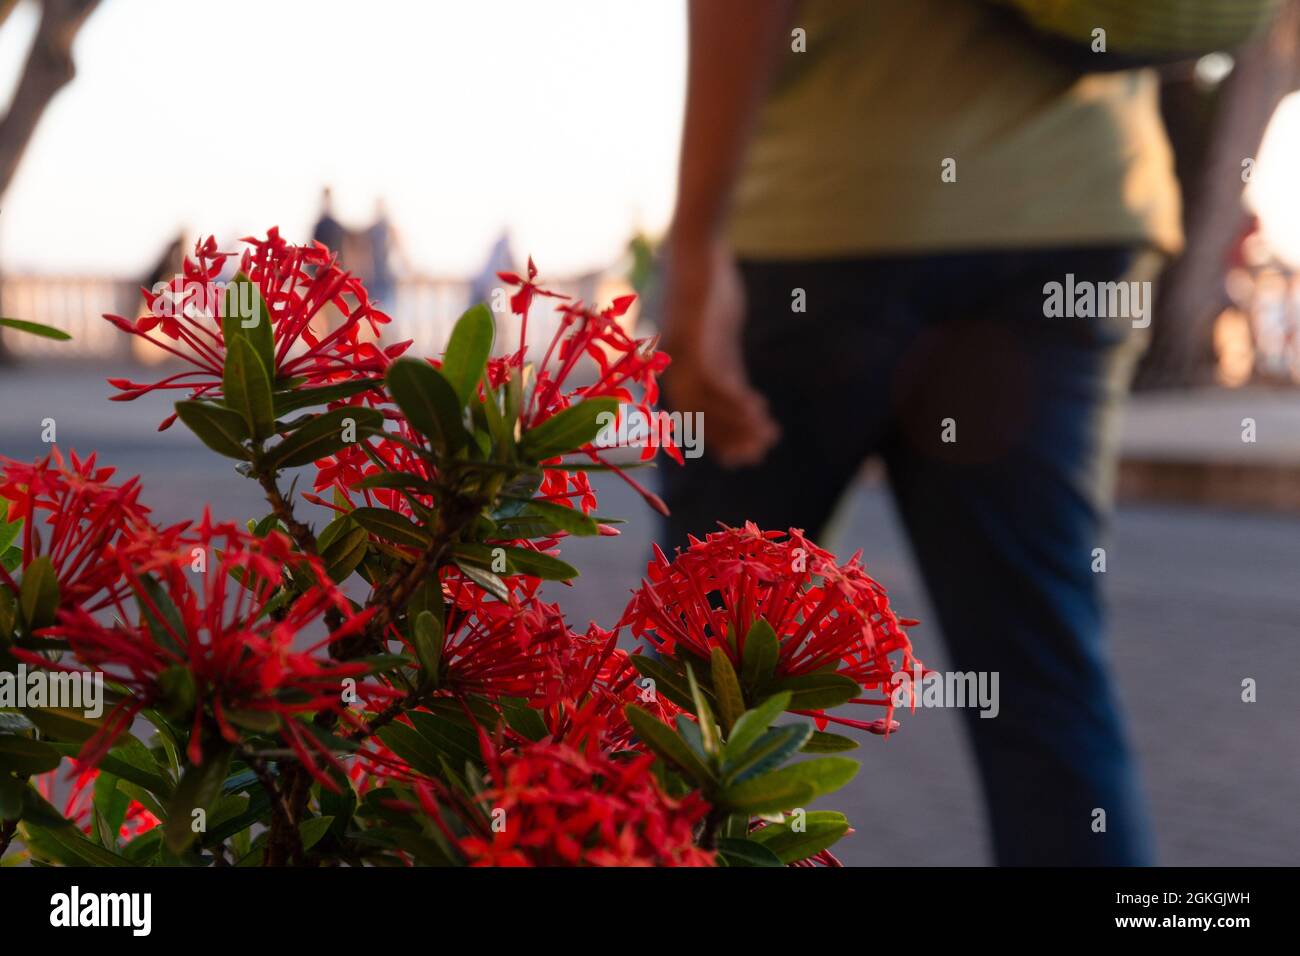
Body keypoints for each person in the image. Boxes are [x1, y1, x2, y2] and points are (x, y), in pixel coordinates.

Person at [658, 0, 1195, 866]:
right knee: (1043, 685)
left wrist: (696, 245)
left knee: (700, 682)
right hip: (1065, 204)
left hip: (825, 210)